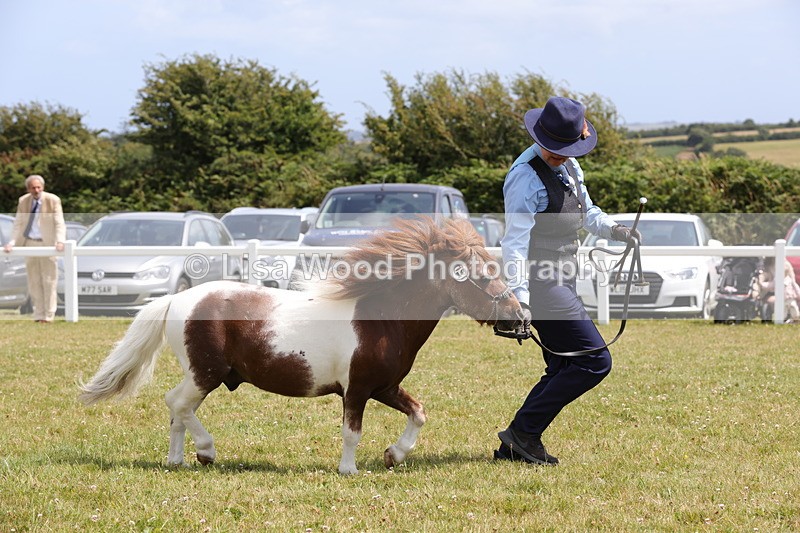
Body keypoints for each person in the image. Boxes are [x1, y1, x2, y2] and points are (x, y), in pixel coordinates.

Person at [496, 96, 640, 465]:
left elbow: (587, 211)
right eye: (554, 149)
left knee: (562, 366)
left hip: (564, 274)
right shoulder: (524, 178)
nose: (561, 154)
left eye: (566, 148)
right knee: (595, 361)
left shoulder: (570, 165)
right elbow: (514, 243)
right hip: (542, 282)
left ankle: (517, 442)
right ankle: (521, 433)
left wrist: (616, 229)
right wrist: (521, 299)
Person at [3, 174, 66, 323]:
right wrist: (12, 242)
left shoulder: (53, 200)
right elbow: (18, 223)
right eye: (33, 187)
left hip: (48, 244)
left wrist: (60, 241)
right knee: (34, 280)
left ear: (42, 187)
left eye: (38, 187)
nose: (36, 190)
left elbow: (59, 222)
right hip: (30, 243)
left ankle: (49, 315)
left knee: (49, 280)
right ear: (28, 188)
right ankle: (38, 314)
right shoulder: (23, 201)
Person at [758, 257, 800, 322]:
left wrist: (798, 294)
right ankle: (782, 319)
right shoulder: (775, 277)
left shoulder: (789, 279)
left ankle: (795, 319)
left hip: (790, 297)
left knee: (794, 309)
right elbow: (771, 285)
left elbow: (795, 285)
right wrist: (762, 284)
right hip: (779, 296)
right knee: (783, 311)